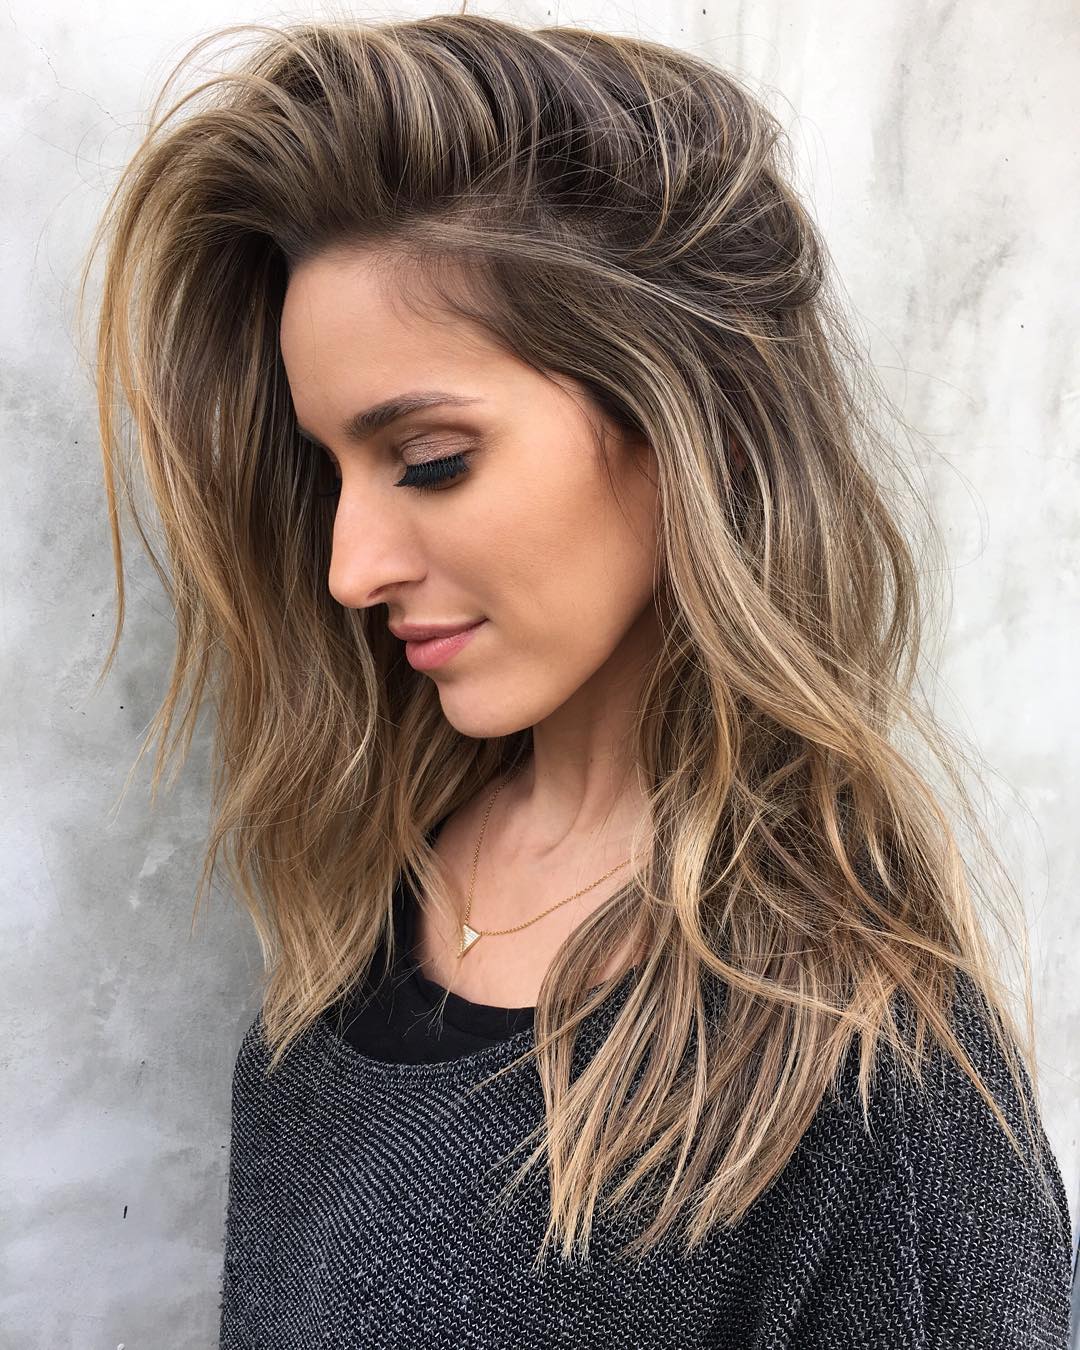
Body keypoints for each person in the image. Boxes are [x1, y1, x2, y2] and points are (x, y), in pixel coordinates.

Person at [78, 12, 1075, 1348]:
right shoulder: (367, 901)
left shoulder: (872, 1090)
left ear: (694, 424)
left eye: (429, 459)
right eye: (331, 471)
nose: (349, 568)